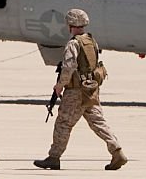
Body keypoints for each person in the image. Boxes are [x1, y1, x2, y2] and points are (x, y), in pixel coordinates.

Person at [34, 9, 127, 171]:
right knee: (98, 122)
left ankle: (54, 158)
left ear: (70, 24)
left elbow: (69, 67)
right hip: (91, 89)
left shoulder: (73, 43)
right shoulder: (91, 41)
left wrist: (60, 85)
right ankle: (117, 151)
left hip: (76, 92)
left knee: (63, 123)